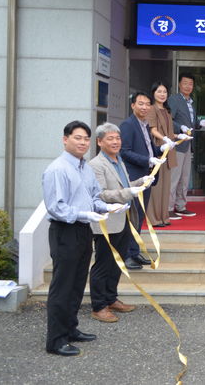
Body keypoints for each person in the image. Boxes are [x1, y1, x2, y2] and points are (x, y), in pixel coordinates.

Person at [42, 121, 119, 356]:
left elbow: (94, 196)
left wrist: (108, 207)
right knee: (62, 286)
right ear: (65, 139)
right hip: (65, 231)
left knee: (76, 285)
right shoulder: (57, 169)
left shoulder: (84, 167)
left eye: (86, 138)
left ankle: (71, 329)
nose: (83, 142)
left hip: (84, 230)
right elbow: (56, 207)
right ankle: (55, 340)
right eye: (78, 138)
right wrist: (85, 213)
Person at [89, 123, 153, 323]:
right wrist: (128, 192)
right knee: (103, 264)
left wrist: (140, 182)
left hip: (124, 218)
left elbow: (124, 186)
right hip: (107, 222)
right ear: (100, 142)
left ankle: (111, 298)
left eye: (117, 138)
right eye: (110, 138)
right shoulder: (96, 164)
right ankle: (98, 306)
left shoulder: (119, 160)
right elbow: (100, 194)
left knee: (118, 261)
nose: (115, 142)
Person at [120, 92, 164, 270]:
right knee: (132, 217)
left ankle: (134, 251)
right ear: (133, 105)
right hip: (135, 178)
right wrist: (147, 161)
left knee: (138, 217)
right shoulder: (128, 125)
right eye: (141, 104)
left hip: (146, 177)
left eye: (147, 104)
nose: (144, 107)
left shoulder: (144, 125)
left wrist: (161, 149)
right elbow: (125, 151)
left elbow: (149, 149)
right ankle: (126, 255)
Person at [167, 73, 205, 219]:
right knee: (174, 178)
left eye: (190, 84)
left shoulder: (191, 102)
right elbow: (168, 120)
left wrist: (200, 123)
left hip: (188, 145)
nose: (188, 86)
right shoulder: (174, 100)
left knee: (185, 178)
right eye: (185, 83)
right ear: (179, 84)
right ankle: (168, 208)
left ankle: (181, 206)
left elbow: (191, 124)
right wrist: (180, 127)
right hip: (178, 144)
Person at [147, 82, 189, 227]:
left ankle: (164, 217)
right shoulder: (151, 109)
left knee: (166, 185)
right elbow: (152, 129)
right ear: (153, 93)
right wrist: (163, 138)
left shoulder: (167, 110)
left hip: (168, 150)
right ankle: (154, 218)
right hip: (158, 149)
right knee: (157, 187)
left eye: (164, 92)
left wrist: (179, 136)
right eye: (159, 91)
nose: (162, 94)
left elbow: (170, 132)